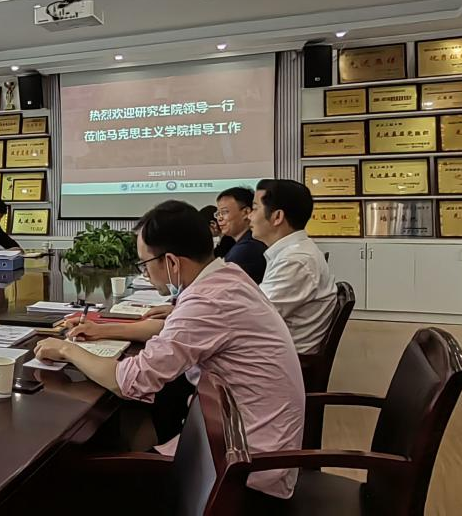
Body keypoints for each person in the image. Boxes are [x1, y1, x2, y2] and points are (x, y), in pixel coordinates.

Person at [34, 200, 304, 501]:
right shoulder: (227, 278)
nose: (145, 273)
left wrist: (67, 350)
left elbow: (130, 381)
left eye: (145, 264)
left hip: (242, 472)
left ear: (172, 262)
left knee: (69, 478)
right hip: (248, 444)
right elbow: (174, 328)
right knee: (138, 418)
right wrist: (103, 330)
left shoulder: (208, 301)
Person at [250, 179, 339, 354]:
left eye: (254, 208)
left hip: (281, 358)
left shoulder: (295, 261)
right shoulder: (294, 253)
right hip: (279, 349)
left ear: (277, 217)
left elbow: (254, 317)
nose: (249, 216)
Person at [215, 186, 267, 283]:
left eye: (224, 212)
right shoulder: (246, 242)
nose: (219, 218)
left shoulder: (247, 248)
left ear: (246, 212)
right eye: (218, 214)